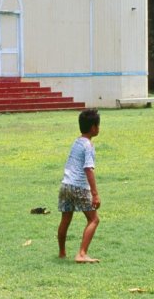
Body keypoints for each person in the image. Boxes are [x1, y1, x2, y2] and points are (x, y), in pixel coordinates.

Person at [57, 108, 101, 263]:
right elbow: (88, 169)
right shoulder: (88, 145)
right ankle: (82, 254)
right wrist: (95, 194)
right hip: (79, 186)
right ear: (94, 127)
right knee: (94, 219)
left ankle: (62, 253)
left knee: (65, 219)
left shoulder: (77, 142)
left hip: (65, 185)